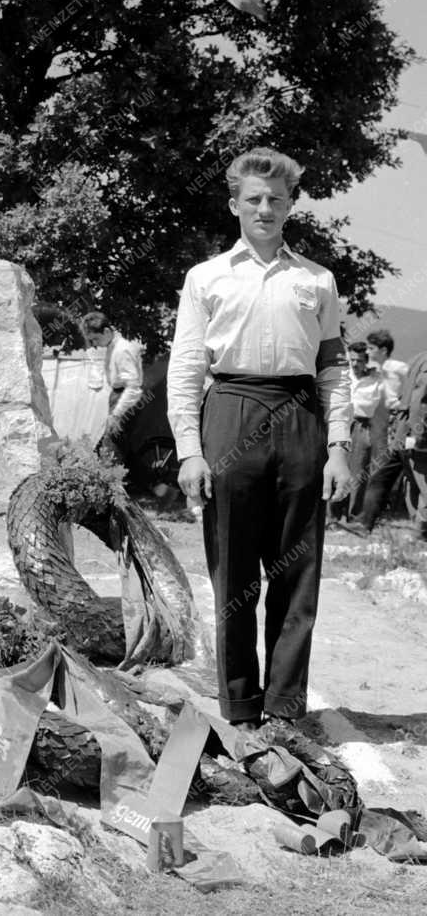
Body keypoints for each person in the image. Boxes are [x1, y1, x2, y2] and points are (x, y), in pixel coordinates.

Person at [166, 148, 351, 730]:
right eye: (254, 199)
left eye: (276, 199)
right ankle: (241, 705)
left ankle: (284, 705)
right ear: (234, 204)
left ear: (291, 204)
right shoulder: (206, 277)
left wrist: (340, 445)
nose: (265, 208)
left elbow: (333, 367)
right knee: (235, 572)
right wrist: (191, 450)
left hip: (299, 417)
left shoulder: (317, 280)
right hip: (230, 410)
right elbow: (186, 368)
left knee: (298, 575)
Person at [357, 348, 427, 538]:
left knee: (421, 482)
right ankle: (364, 523)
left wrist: (418, 435)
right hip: (402, 432)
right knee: (381, 476)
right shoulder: (419, 358)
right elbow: (408, 395)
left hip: (417, 435)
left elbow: (421, 403)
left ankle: (422, 531)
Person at [327, 341, 387, 527]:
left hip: (362, 426)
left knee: (358, 471)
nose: (355, 364)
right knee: (337, 465)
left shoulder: (376, 379)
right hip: (342, 423)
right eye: (352, 359)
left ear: (366, 361)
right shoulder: (344, 376)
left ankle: (354, 517)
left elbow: (381, 405)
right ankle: (333, 517)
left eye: (359, 360)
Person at [80, 311, 144, 451]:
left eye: (96, 339)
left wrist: (117, 413)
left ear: (107, 331)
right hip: (117, 396)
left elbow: (133, 387)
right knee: (116, 446)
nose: (95, 343)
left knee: (111, 449)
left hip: (125, 398)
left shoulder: (122, 349)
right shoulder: (112, 346)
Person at [365, 328, 408, 407]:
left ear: (384, 350)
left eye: (371, 348)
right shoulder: (377, 370)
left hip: (397, 413)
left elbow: (416, 381)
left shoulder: (397, 366)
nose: (367, 352)